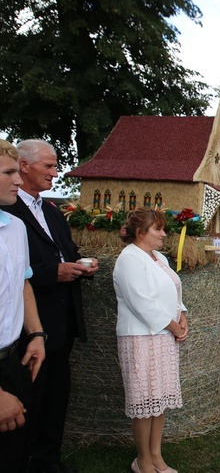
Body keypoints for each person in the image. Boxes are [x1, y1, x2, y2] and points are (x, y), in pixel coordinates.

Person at [1, 139, 99, 473]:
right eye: (49, 166)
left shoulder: (50, 211)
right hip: (30, 326)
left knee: (56, 398)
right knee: (29, 401)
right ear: (25, 167)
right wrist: (52, 273)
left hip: (56, 325)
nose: (55, 173)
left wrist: (80, 265)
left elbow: (56, 255)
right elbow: (27, 275)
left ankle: (47, 461)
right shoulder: (11, 211)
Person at [113, 208, 188, 473]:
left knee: (160, 398)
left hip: (164, 335)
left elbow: (174, 289)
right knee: (144, 401)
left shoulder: (158, 258)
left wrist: (182, 316)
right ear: (140, 233)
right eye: (158, 229)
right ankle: (142, 460)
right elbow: (141, 303)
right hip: (140, 337)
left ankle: (156, 455)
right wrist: (174, 326)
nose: (164, 234)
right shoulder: (129, 259)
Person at [0, 140, 46, 473]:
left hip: (13, 360)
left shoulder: (16, 228)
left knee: (16, 453)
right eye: (8, 172)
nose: (18, 180)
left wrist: (37, 334)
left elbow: (23, 283)